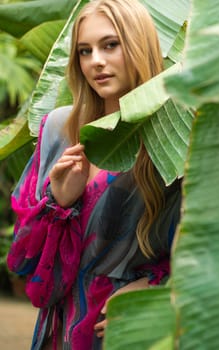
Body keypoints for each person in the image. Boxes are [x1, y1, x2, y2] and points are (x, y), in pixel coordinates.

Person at [7, 0, 181, 349]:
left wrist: (155, 285)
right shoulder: (59, 127)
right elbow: (23, 258)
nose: (96, 61)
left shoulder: (172, 134)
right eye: (85, 51)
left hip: (126, 327)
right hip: (60, 328)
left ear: (139, 45)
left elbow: (206, 245)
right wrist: (58, 202)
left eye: (110, 45)